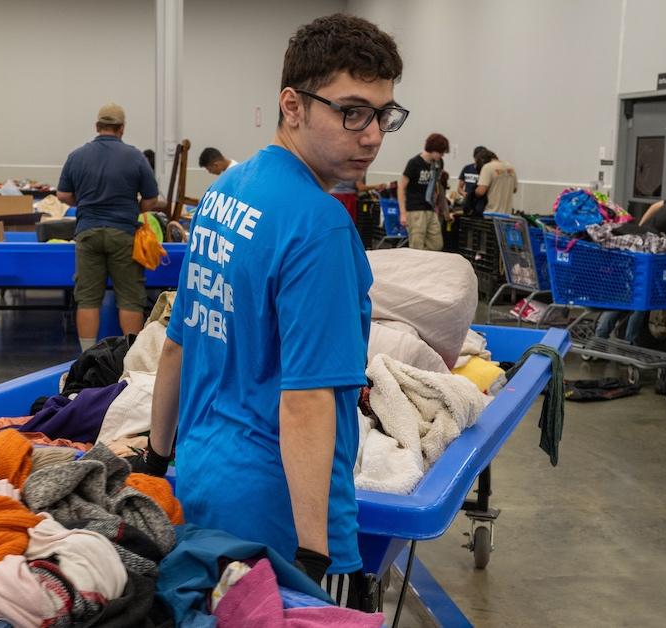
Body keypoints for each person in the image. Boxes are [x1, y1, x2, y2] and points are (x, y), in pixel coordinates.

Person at [141, 13, 406, 584]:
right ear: (293, 106)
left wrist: (158, 463)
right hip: (276, 510)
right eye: (352, 111)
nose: (373, 135)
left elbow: (177, 346)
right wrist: (312, 554)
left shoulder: (223, 192)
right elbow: (307, 400)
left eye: (384, 114)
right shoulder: (319, 227)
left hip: (202, 479)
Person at [56, 103, 160, 348]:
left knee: (88, 298)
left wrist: (82, 201)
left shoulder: (77, 155)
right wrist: (134, 207)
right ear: (121, 129)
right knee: (130, 299)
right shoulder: (135, 156)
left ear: (97, 127)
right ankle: (130, 356)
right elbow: (151, 199)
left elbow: (62, 195)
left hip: (88, 232)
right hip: (123, 234)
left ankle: (87, 354)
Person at [399, 133, 447, 250]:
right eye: (440, 152)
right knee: (416, 245)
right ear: (433, 150)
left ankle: (426, 264)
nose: (442, 155)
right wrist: (403, 213)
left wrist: (441, 207)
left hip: (429, 208)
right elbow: (401, 187)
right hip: (415, 209)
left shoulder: (438, 163)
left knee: (437, 243)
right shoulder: (414, 163)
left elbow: (437, 184)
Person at [457, 145, 488, 215]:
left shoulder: (486, 170)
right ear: (474, 157)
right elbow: (459, 188)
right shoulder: (467, 168)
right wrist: (464, 193)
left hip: (480, 204)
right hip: (467, 203)